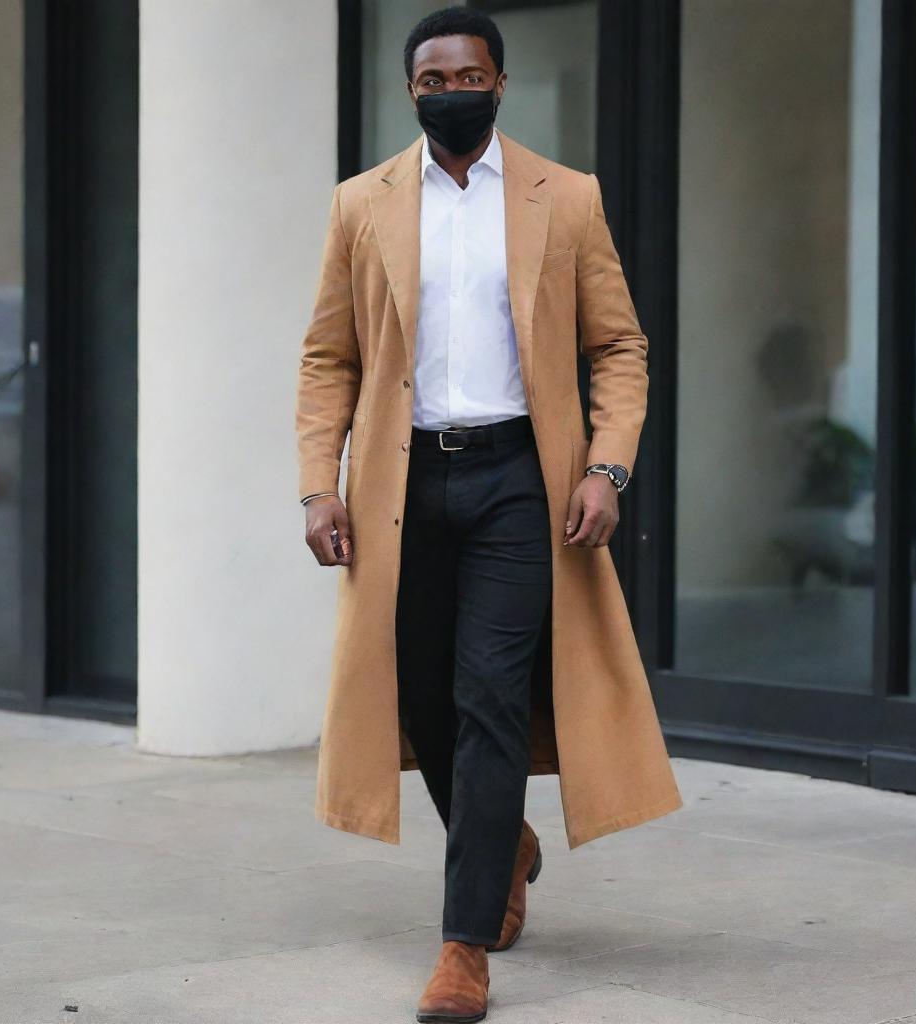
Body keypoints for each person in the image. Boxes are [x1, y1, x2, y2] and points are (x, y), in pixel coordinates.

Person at [295, 7, 683, 1021]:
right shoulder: (361, 203)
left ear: (499, 84)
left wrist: (608, 467)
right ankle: (499, 837)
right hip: (401, 487)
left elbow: (620, 347)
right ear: (410, 90)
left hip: (520, 481)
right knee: (418, 697)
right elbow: (329, 357)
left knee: (490, 698)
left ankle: (462, 945)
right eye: (431, 77)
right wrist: (316, 483)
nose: (450, 89)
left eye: (468, 73)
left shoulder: (567, 197)